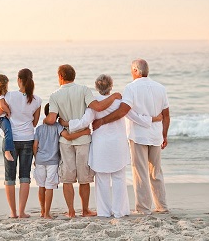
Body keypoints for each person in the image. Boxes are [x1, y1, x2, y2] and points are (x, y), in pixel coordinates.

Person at [63, 74, 159, 218]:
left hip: (101, 145)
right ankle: (120, 211)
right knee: (119, 178)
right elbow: (134, 117)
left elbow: (83, 122)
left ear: (96, 87)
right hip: (117, 145)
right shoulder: (119, 102)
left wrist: (66, 124)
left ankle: (104, 212)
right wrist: (153, 120)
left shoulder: (94, 104)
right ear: (111, 87)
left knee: (102, 180)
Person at [93, 59, 170, 215]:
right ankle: (161, 206)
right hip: (155, 136)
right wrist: (164, 135)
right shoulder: (160, 88)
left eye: (131, 70)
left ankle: (143, 208)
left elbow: (123, 111)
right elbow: (166, 115)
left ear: (136, 70)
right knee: (156, 172)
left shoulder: (131, 88)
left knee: (140, 172)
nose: (131, 72)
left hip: (138, 135)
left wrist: (102, 120)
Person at [44, 64, 123, 218]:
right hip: (83, 140)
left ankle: (72, 212)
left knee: (67, 178)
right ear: (74, 75)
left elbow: (52, 118)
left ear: (60, 76)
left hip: (66, 142)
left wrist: (45, 121)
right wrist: (113, 97)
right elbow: (98, 107)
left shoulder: (54, 95)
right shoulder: (84, 90)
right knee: (83, 178)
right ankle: (85, 210)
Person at [0, 68, 42, 218]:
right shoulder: (37, 100)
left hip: (10, 141)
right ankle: (22, 212)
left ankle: (13, 213)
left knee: (9, 177)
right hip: (27, 140)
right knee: (25, 176)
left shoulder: (9, 95)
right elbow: (34, 123)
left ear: (19, 80)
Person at [33, 103, 91, 219]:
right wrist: (84, 133)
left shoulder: (39, 128)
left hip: (39, 161)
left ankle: (42, 210)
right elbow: (68, 137)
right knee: (49, 186)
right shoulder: (58, 127)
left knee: (41, 186)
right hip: (52, 162)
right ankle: (47, 214)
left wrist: (35, 158)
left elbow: (35, 145)